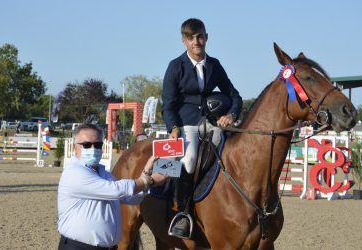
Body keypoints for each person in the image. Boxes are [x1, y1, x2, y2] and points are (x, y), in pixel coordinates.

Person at [162, 18, 242, 239]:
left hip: (212, 122)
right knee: (188, 159)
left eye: (200, 36)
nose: (196, 41)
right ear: (184, 41)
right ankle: (183, 213)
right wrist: (173, 127)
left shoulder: (214, 65)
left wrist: (232, 115)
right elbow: (168, 104)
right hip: (185, 123)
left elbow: (234, 95)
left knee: (228, 151)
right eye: (191, 38)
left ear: (206, 37)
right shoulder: (175, 66)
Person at [57, 124, 168, 249]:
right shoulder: (75, 173)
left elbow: (133, 199)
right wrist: (150, 181)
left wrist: (147, 169)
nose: (93, 149)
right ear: (75, 148)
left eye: (98, 145)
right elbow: (116, 190)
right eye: (87, 145)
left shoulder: (104, 174)